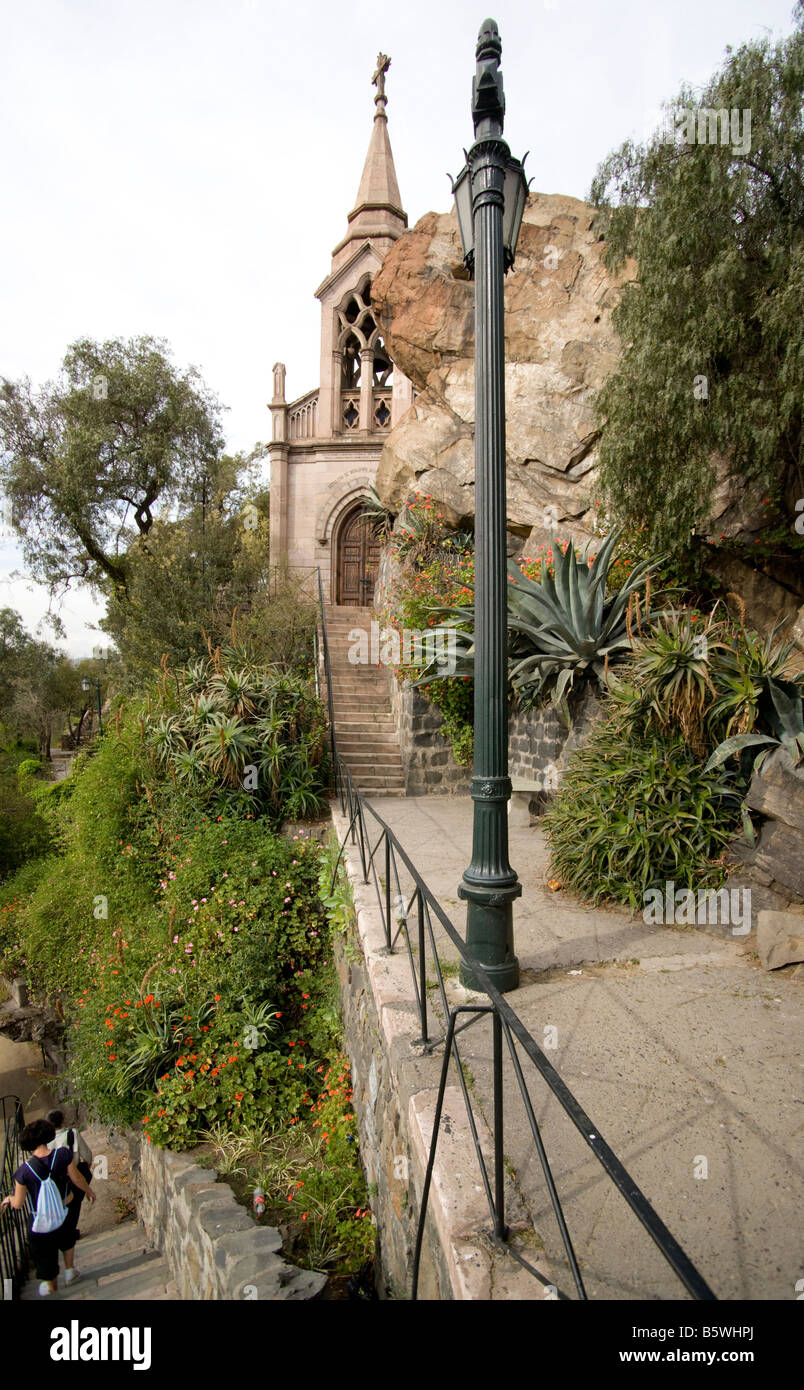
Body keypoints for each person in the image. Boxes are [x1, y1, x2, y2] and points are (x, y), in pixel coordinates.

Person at [1, 1117, 96, 1296]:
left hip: (40, 1219)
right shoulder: (62, 1155)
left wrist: (8, 1199)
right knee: (67, 1239)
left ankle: (50, 1287)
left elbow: (19, 1203)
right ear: (48, 1135)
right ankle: (69, 1271)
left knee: (46, 1259)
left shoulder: (23, 1172)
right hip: (64, 1209)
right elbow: (76, 1178)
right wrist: (89, 1191)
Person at [46, 1109, 93, 1241]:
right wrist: (85, 1167)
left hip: (56, 1178)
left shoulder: (46, 1141)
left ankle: (63, 1232)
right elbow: (87, 1155)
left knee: (60, 1204)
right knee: (75, 1203)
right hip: (75, 1172)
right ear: (62, 1120)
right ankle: (70, 1231)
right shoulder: (72, 1134)